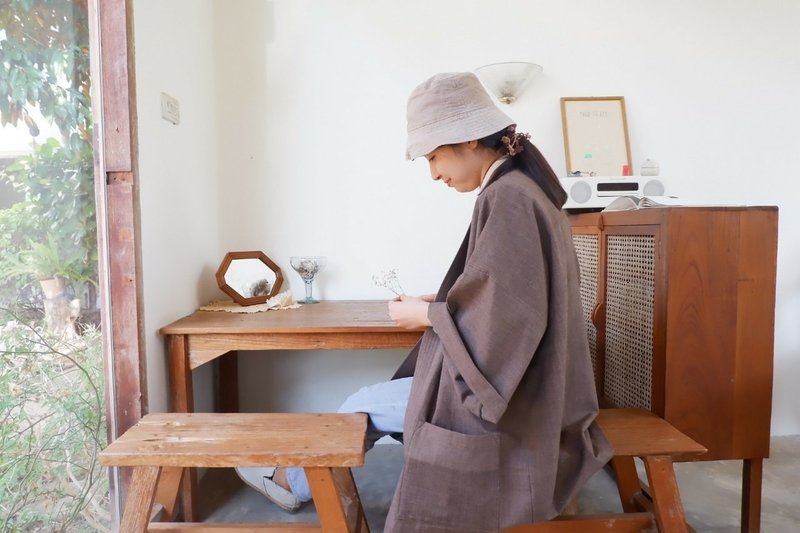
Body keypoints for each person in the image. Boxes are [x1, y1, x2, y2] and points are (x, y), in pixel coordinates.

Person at [237, 72, 612, 532]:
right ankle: (296, 480)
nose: (434, 173)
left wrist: (429, 315)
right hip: (535, 382)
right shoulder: (523, 189)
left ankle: (291, 482)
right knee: (370, 401)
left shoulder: (508, 197)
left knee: (361, 403)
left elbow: (507, 326)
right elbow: (511, 294)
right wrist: (446, 300)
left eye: (435, 157)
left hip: (517, 398)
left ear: (470, 139)